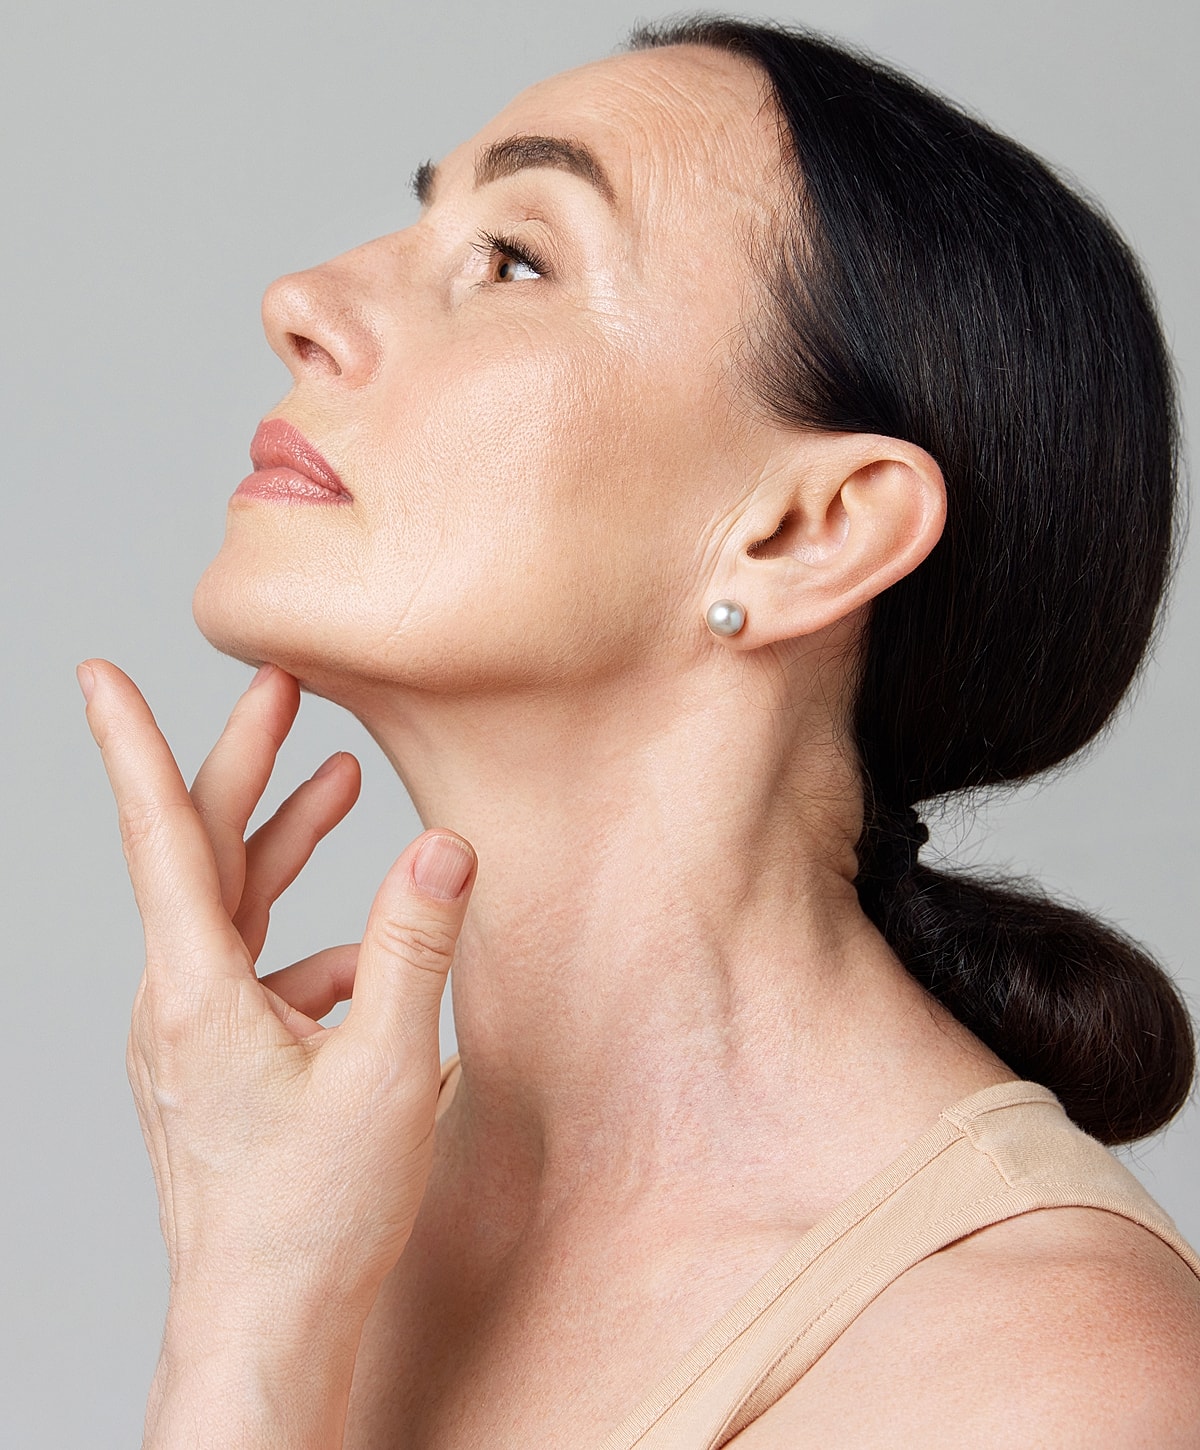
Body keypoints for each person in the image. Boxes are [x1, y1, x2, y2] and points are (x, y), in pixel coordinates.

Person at [78, 14, 1200, 1448]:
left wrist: (235, 1361)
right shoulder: (320, 1196)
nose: (299, 299)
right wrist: (248, 1289)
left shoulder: (1042, 1378)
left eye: (518, 257)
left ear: (808, 529)